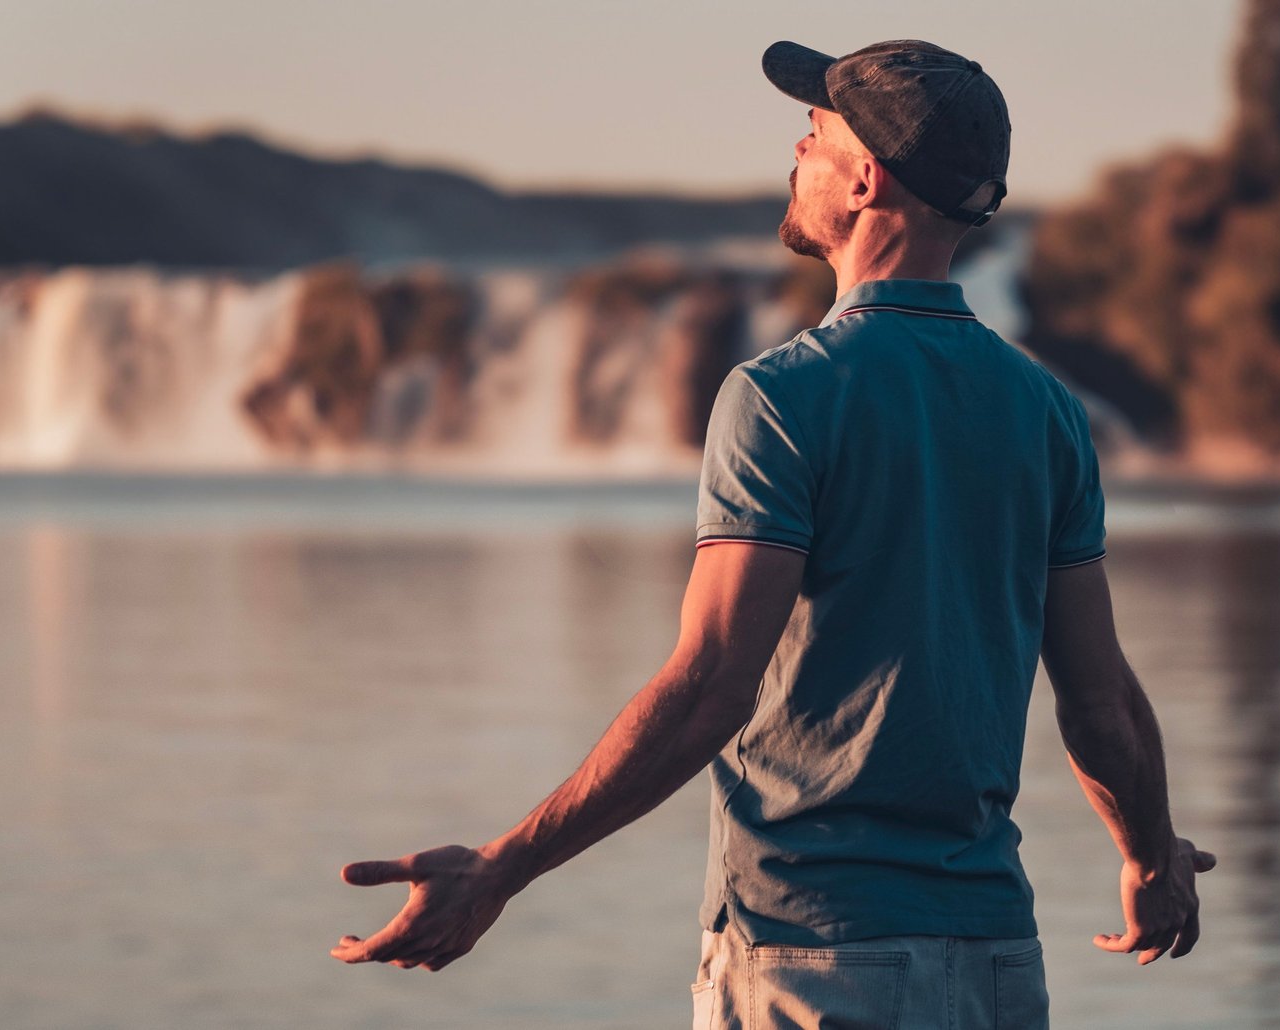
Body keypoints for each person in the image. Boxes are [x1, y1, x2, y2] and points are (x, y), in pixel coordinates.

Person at [330, 37, 1216, 1029]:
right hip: (993, 963)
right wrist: (1150, 856)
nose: (795, 158)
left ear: (865, 179)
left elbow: (710, 685)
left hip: (813, 953)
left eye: (811, 137)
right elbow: (1102, 701)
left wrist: (508, 862)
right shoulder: (1046, 410)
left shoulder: (783, 395)